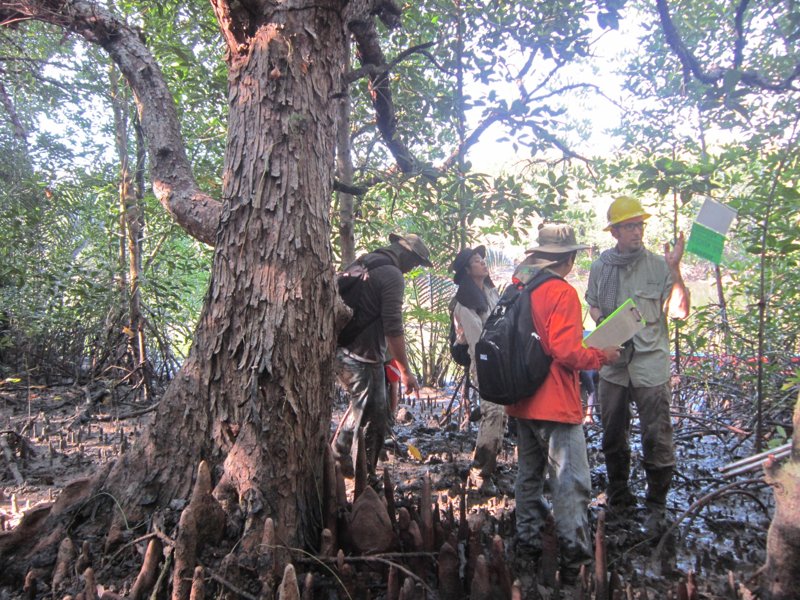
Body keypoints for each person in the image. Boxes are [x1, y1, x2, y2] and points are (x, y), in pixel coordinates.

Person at [507, 224, 621, 582]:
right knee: (569, 482)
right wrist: (603, 355)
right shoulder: (562, 292)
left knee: (529, 476)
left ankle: (526, 545)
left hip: (521, 399)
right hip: (555, 402)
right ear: (569, 259)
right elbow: (567, 351)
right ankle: (575, 561)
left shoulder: (518, 284)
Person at [585, 196, 690, 534]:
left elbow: (680, 311)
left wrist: (675, 270)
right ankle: (619, 493)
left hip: (649, 363)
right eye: (629, 226)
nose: (636, 231)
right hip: (613, 365)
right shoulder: (601, 266)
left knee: (656, 435)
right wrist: (608, 327)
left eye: (639, 225)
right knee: (613, 433)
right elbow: (594, 306)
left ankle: (656, 504)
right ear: (614, 231)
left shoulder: (659, 265)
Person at [332, 232, 430, 480]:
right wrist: (405, 372)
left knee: (370, 413)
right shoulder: (393, 275)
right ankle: (363, 473)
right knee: (372, 419)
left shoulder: (364, 261)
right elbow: (393, 328)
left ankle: (342, 456)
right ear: (406, 254)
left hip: (342, 347)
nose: (413, 268)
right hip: (361, 356)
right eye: (415, 262)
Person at [449, 246, 502, 495]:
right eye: (476, 261)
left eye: (482, 259)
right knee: (494, 411)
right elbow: (477, 341)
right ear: (467, 271)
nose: (482, 263)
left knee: (501, 413)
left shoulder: (491, 291)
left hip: (501, 360)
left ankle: (488, 464)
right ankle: (481, 471)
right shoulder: (464, 304)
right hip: (484, 362)